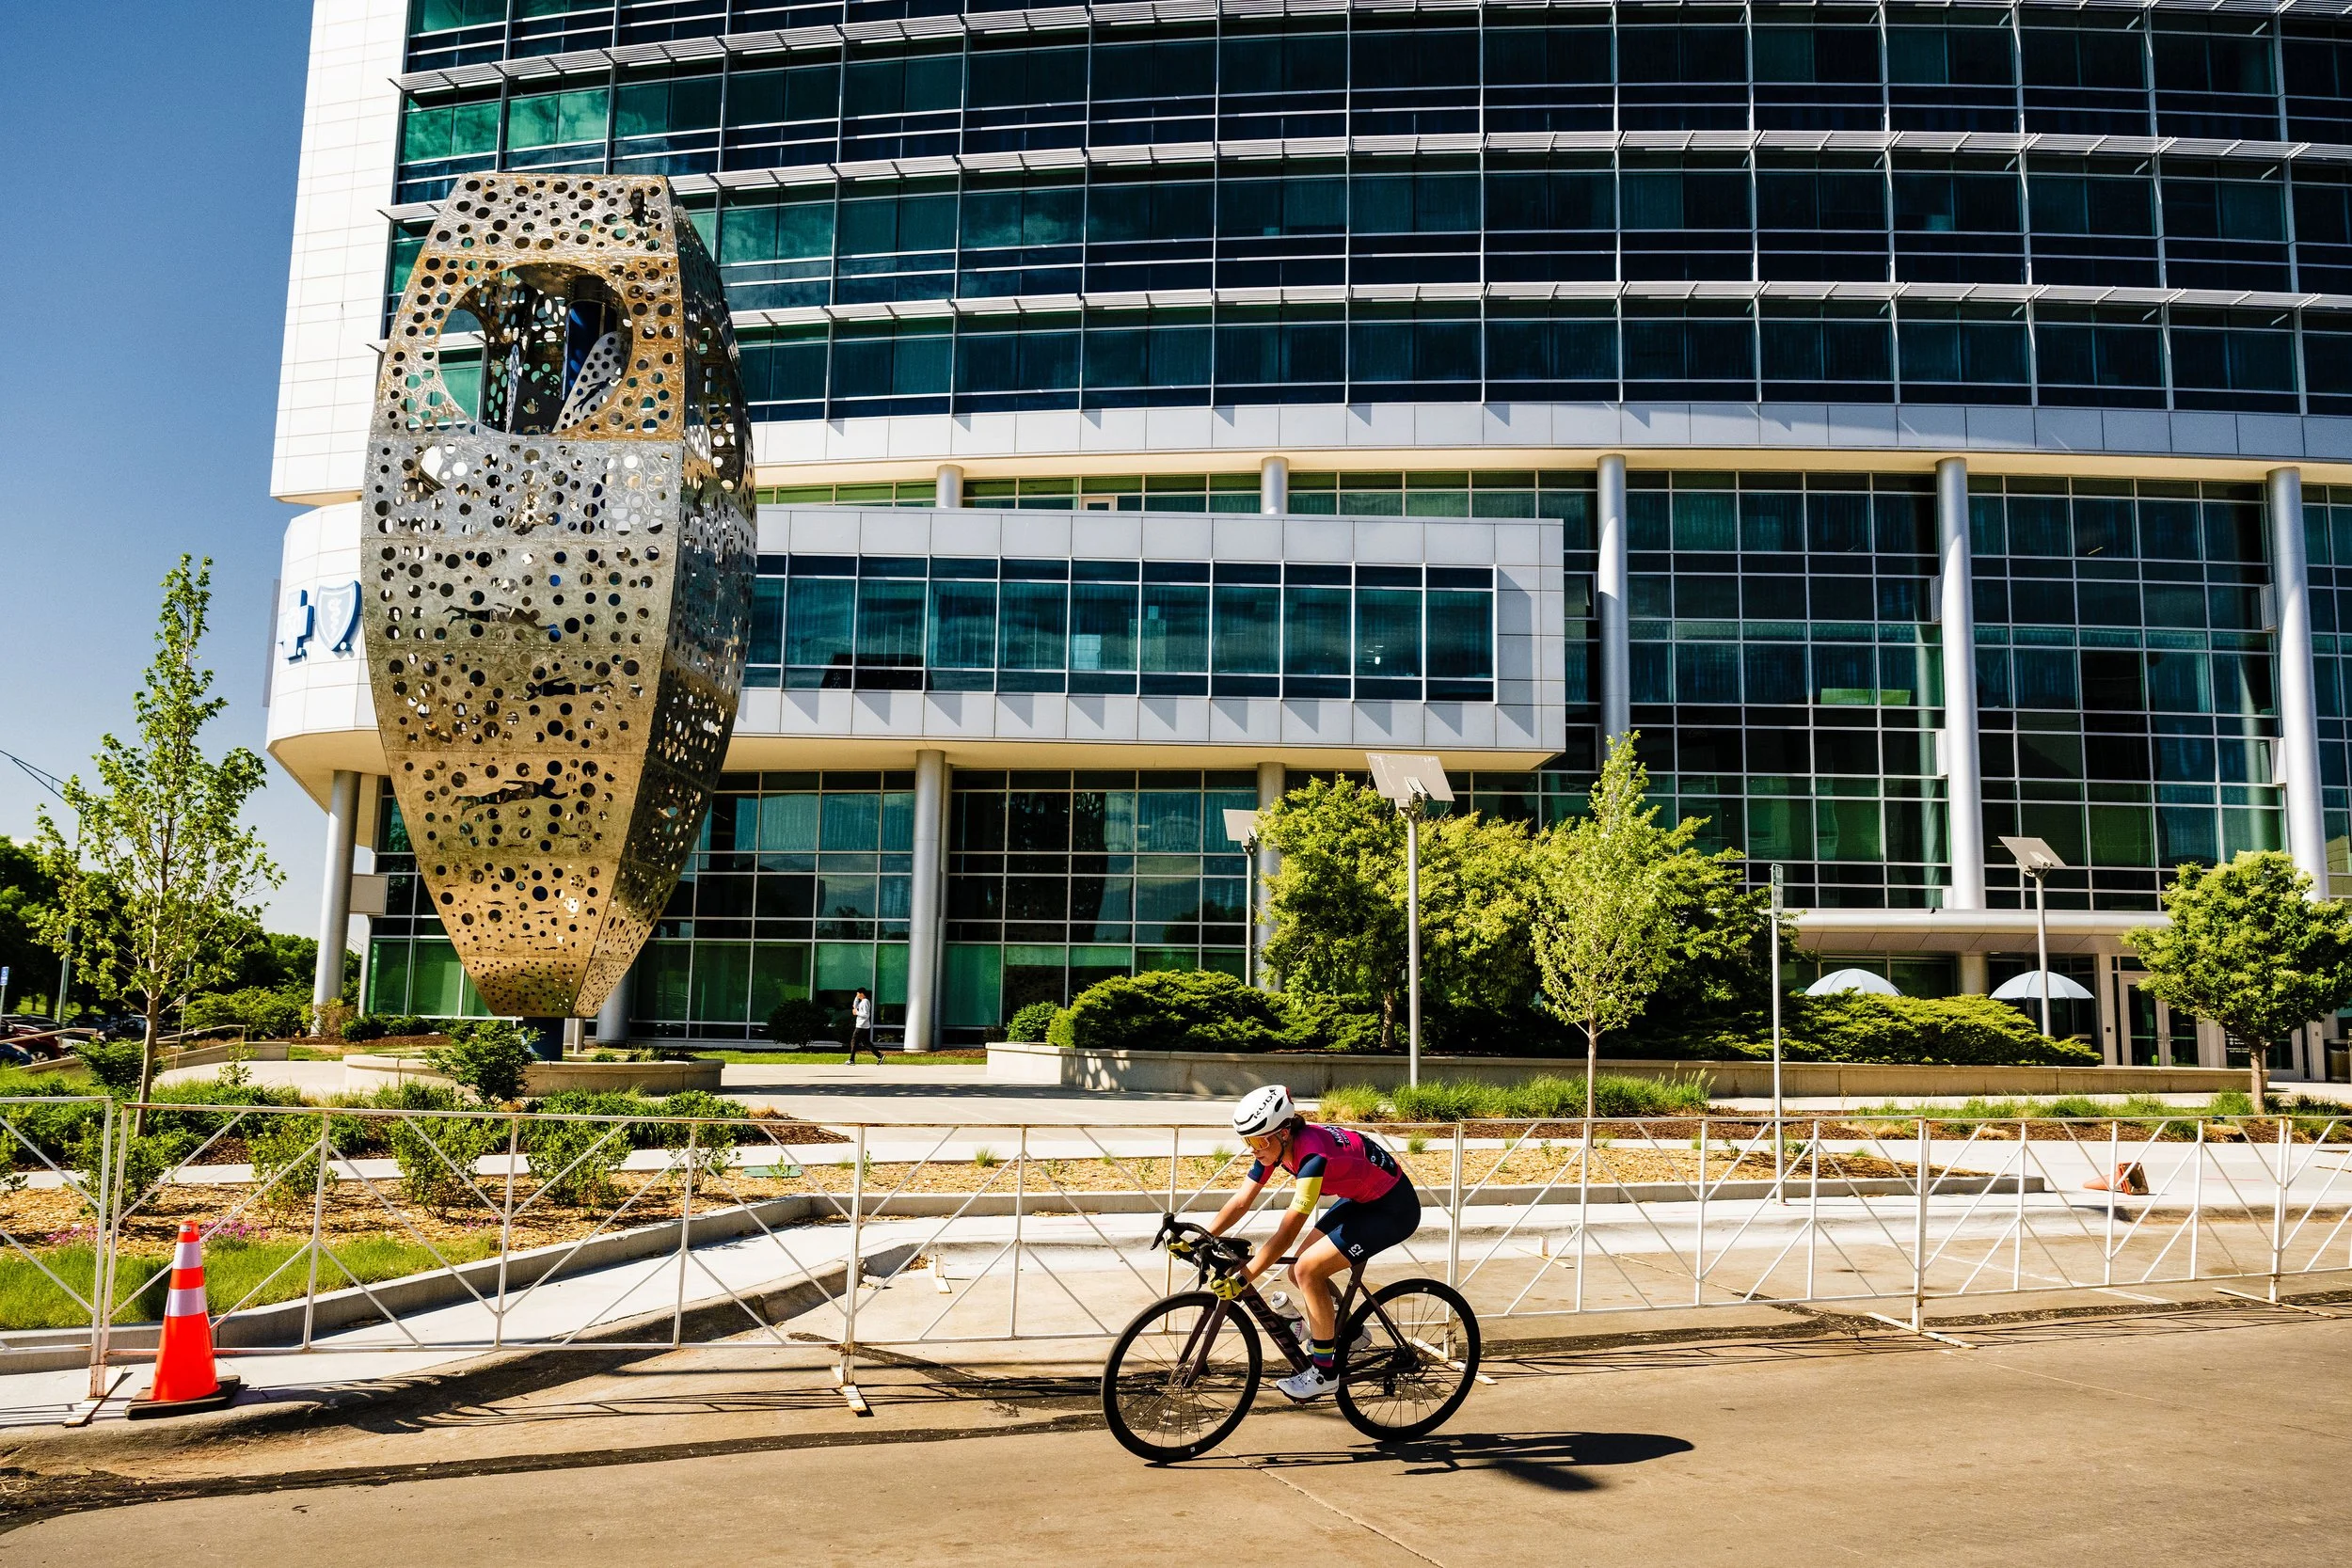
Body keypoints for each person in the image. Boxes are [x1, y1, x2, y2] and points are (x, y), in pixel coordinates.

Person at [1201, 1084, 1421, 1402]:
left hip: (1393, 1210)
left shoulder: (1313, 1157)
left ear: (1284, 1132)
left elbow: (1287, 1232)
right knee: (1298, 1271)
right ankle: (1350, 1334)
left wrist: (1245, 1277)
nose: (1253, 1149)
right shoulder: (1273, 1147)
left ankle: (1324, 1373)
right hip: (1362, 1198)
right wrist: (1203, 1237)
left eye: (1258, 1140)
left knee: (1307, 1270)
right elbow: (1241, 1201)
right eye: (1247, 1140)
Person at [845, 988, 880, 1065]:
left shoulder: (865, 1002)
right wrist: (856, 999)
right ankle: (880, 1056)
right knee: (866, 1043)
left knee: (854, 1041)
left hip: (861, 1026)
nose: (857, 995)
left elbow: (866, 1015)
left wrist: (857, 1012)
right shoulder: (862, 1002)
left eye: (858, 994)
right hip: (863, 1025)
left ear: (862, 993)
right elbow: (855, 1005)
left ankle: (851, 1060)